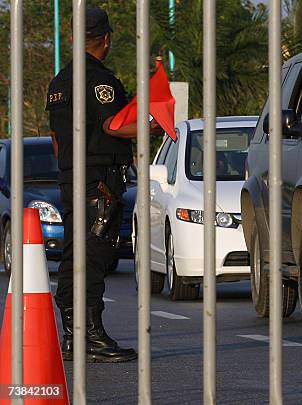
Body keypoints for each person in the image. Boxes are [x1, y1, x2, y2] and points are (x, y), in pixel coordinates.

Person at [45, 7, 163, 363]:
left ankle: (70, 335)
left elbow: (54, 138)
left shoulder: (59, 83)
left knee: (73, 254)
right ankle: (92, 336)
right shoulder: (100, 80)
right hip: (99, 181)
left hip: (70, 177)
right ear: (106, 39)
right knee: (95, 256)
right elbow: (113, 125)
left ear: (72, 37)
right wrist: (150, 127)